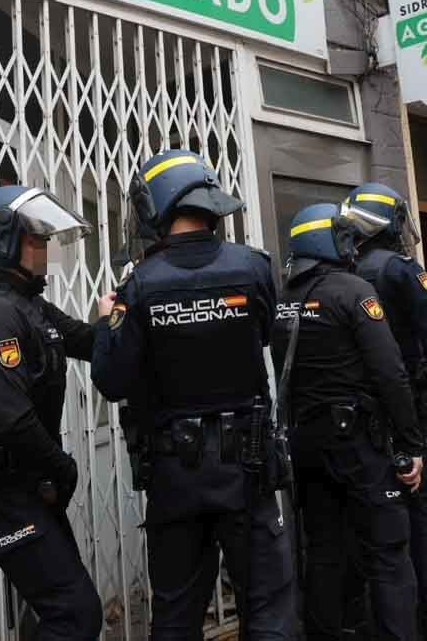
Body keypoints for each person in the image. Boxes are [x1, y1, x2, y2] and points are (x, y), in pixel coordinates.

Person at [91, 149, 295, 640]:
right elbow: (264, 335)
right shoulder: (253, 268)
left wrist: (105, 325)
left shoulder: (138, 286)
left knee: (178, 615)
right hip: (246, 468)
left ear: (157, 206)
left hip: (174, 474)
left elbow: (113, 380)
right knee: (267, 608)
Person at [0, 184, 105, 641]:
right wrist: (64, 468)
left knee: (61, 608)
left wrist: (120, 315)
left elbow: (87, 341)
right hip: (2, 491)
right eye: (37, 240)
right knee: (74, 614)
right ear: (5, 243)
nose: (46, 249)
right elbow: (12, 418)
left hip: (29, 485)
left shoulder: (27, 305)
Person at [274, 203, 425, 641]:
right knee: (388, 553)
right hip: (359, 443)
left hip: (308, 443)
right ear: (332, 242)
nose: (353, 245)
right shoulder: (354, 291)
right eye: (346, 237)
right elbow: (390, 372)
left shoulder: (284, 300)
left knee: (323, 550)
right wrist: (411, 444)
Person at [342, 184, 427, 641]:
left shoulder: (343, 270)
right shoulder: (400, 269)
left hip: (361, 422)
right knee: (425, 525)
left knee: (373, 534)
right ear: (391, 224)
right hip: (410, 412)